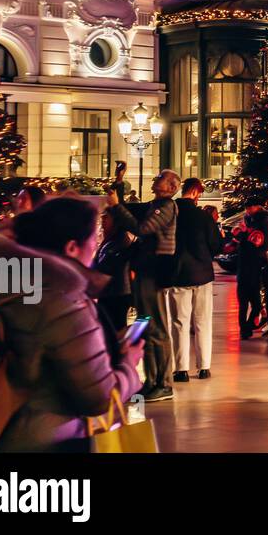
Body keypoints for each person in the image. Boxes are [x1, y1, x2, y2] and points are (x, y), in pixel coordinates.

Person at [0, 197, 143, 451]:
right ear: (72, 248)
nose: (96, 245)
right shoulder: (63, 303)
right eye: (94, 238)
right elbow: (98, 397)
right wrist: (129, 366)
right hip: (52, 437)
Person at [106, 169, 180, 401]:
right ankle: (152, 379)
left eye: (160, 178)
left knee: (155, 325)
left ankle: (163, 382)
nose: (155, 179)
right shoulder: (154, 204)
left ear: (171, 187)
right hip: (146, 272)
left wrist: (117, 207)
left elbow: (142, 228)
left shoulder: (166, 207)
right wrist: (119, 182)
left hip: (154, 272)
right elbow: (129, 208)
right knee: (146, 324)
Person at [168, 178, 222, 381]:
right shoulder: (203, 217)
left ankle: (181, 369)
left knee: (180, 322)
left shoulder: (171, 214)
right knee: (202, 321)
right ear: (195, 192)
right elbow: (216, 245)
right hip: (202, 274)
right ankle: (204, 367)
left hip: (178, 273)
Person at [233, 197, 268, 339]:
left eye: (250, 208)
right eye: (246, 208)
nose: (247, 211)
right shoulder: (249, 219)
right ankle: (245, 329)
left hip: (255, 265)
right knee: (246, 304)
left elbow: (265, 243)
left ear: (257, 207)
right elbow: (245, 241)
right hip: (246, 268)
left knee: (254, 303)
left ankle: (248, 327)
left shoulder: (263, 220)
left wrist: (245, 234)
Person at [92, 207, 134, 333]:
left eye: (106, 217)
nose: (102, 220)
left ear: (116, 221)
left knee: (116, 327)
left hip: (117, 293)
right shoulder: (110, 239)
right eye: (102, 217)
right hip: (110, 291)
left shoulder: (120, 240)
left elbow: (106, 265)